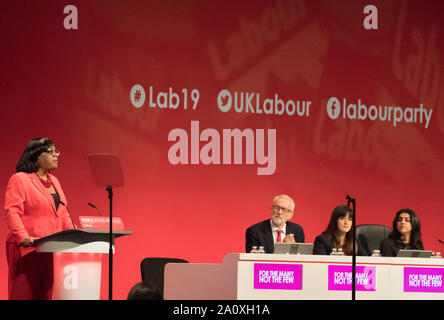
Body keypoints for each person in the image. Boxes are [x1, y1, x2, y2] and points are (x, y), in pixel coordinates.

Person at [4, 138, 74, 300]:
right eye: (51, 152)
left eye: (57, 152)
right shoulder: (20, 179)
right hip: (28, 249)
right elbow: (11, 211)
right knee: (22, 295)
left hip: (49, 249)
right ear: (37, 156)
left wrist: (74, 235)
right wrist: (23, 237)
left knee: (45, 296)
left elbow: (63, 213)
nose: (56, 156)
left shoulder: (55, 181)